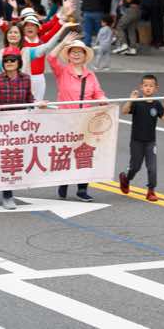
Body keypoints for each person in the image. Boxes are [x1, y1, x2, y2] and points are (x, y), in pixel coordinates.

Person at [47, 33, 106, 202]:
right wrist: (63, 43)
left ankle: (82, 189)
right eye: (73, 51)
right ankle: (63, 184)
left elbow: (97, 92)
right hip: (66, 119)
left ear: (85, 56)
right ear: (68, 55)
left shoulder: (90, 75)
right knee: (66, 153)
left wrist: (102, 99)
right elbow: (51, 58)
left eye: (80, 52)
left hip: (85, 120)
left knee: (84, 153)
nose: (76, 54)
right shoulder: (62, 71)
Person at [0, 46, 44, 210]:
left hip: (20, 126)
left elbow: (29, 100)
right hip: (1, 127)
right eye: (6, 60)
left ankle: (9, 191)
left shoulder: (26, 79)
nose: (9, 63)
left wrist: (38, 104)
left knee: (16, 158)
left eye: (12, 60)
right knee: (6, 158)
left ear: (19, 62)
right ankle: (6, 194)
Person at [119, 75, 164, 202]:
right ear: (141, 87)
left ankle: (151, 190)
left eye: (151, 86)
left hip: (150, 142)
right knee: (135, 167)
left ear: (156, 88)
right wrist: (131, 100)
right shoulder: (137, 102)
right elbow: (124, 111)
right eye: (146, 85)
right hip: (136, 141)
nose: (148, 88)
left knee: (152, 167)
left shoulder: (157, 103)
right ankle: (126, 178)